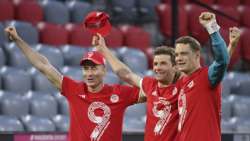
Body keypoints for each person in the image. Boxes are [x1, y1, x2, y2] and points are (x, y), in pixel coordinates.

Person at [92, 12, 241, 141]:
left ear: (175, 67)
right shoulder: (167, 85)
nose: (157, 67)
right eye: (177, 55)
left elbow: (221, 63)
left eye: (163, 63)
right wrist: (103, 50)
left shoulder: (195, 81)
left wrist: (214, 30)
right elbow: (127, 75)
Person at [4, 26, 142, 141]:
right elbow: (43, 65)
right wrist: (18, 40)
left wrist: (105, 51)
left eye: (94, 68)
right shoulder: (74, 89)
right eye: (86, 68)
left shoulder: (119, 93)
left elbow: (149, 91)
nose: (89, 73)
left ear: (104, 71)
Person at [174, 12, 230, 141]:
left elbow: (222, 60)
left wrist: (212, 28)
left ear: (197, 55)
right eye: (176, 55)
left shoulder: (207, 76)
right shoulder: (182, 83)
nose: (179, 58)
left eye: (184, 54)